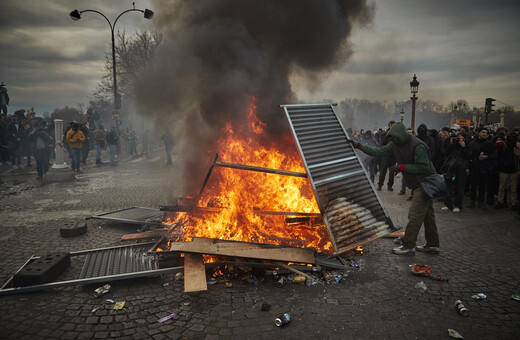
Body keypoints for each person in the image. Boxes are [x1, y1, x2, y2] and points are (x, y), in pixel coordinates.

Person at [349, 122, 440, 255]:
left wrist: (401, 167)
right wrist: (359, 145)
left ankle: (408, 246)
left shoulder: (418, 146)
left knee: (414, 215)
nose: (393, 140)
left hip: (425, 183)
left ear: (402, 135)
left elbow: (423, 167)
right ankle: (433, 245)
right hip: (416, 183)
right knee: (428, 216)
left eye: (395, 137)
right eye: (392, 137)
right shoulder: (395, 144)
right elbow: (379, 152)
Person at [440, 131, 470, 213]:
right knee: (448, 186)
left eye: (461, 137)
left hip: (461, 168)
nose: (459, 139)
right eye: (458, 137)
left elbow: (468, 156)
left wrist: (463, 146)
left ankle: (458, 205)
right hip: (451, 167)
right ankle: (448, 204)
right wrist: (451, 144)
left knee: (459, 187)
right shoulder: (454, 144)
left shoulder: (468, 145)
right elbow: (446, 152)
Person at [466, 127, 496, 210]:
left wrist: (487, 156)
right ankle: (472, 201)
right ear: (478, 133)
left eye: (486, 133)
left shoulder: (489, 143)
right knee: (473, 185)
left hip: (484, 167)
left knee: (482, 186)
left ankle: (481, 202)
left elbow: (495, 155)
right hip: (474, 167)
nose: (485, 134)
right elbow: (468, 156)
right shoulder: (472, 143)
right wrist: (468, 167)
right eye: (483, 132)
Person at [495, 132, 518, 209]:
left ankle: (513, 203)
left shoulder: (516, 146)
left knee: (513, 189)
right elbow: (499, 156)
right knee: (502, 188)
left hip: (513, 170)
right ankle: (501, 202)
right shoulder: (503, 146)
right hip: (505, 169)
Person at [377, 121, 396, 191]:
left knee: (392, 170)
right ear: (389, 126)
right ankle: (380, 184)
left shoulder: (396, 134)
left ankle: (390, 185)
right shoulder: (385, 134)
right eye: (392, 125)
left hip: (393, 155)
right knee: (383, 170)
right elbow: (382, 143)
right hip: (385, 154)